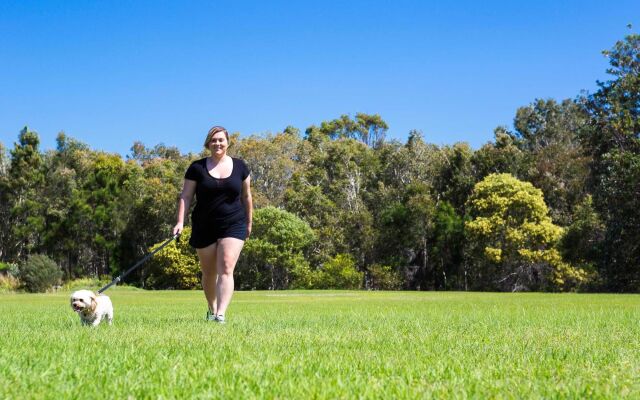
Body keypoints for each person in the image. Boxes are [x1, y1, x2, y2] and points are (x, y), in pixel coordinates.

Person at [173, 126, 252, 323]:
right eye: (213, 140)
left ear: (228, 142)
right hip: (204, 224)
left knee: (226, 266)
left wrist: (249, 222)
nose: (217, 143)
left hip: (233, 223)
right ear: (208, 143)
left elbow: (247, 196)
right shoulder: (196, 168)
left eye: (221, 140)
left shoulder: (241, 167)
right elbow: (186, 196)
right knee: (209, 272)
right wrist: (180, 222)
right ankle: (212, 308)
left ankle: (221, 314)